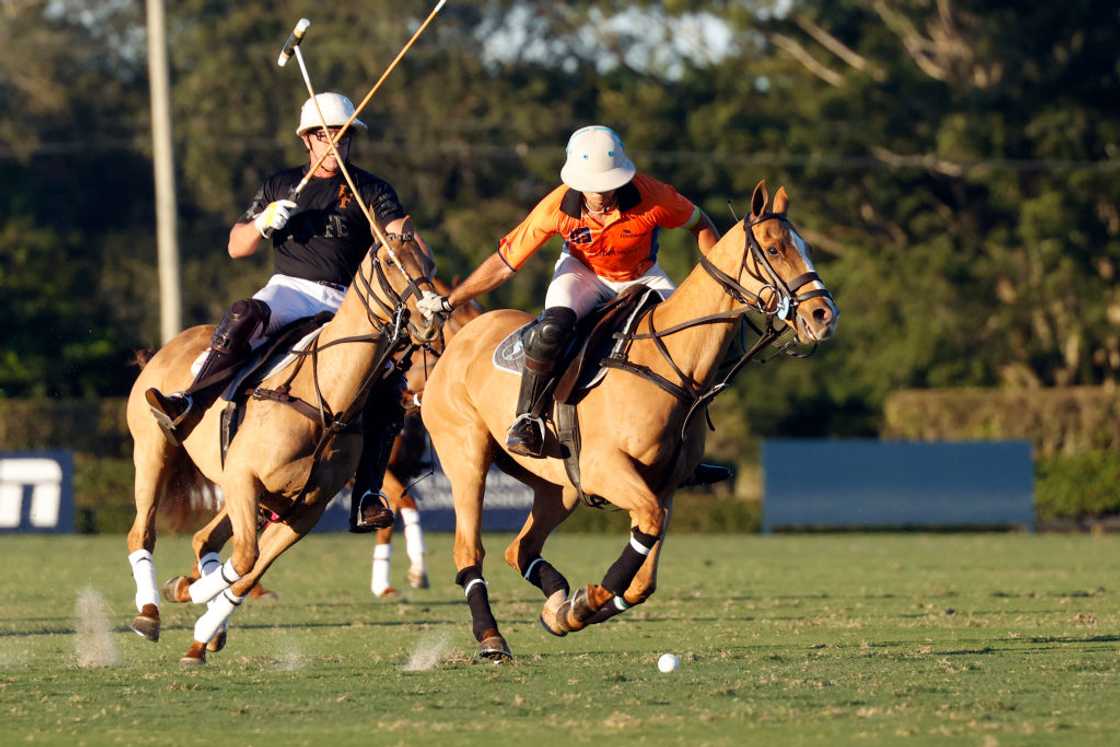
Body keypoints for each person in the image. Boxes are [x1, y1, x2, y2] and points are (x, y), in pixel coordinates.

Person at [145, 92, 423, 532]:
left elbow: (401, 239)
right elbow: (236, 247)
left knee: (391, 387)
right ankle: (190, 402)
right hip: (291, 291)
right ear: (307, 139)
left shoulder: (371, 189)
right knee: (243, 314)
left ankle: (368, 494)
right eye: (326, 135)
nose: (336, 143)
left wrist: (404, 243)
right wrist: (262, 223)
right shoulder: (281, 185)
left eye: (343, 135)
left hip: (351, 303)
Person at [416, 125, 730, 485]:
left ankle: (687, 449)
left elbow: (700, 223)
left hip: (642, 276)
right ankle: (528, 418)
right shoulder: (556, 208)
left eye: (610, 186)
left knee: (698, 338)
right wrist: (451, 301)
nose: (604, 197)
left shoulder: (654, 196)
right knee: (551, 330)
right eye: (596, 189)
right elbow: (505, 263)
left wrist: (717, 276)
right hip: (583, 273)